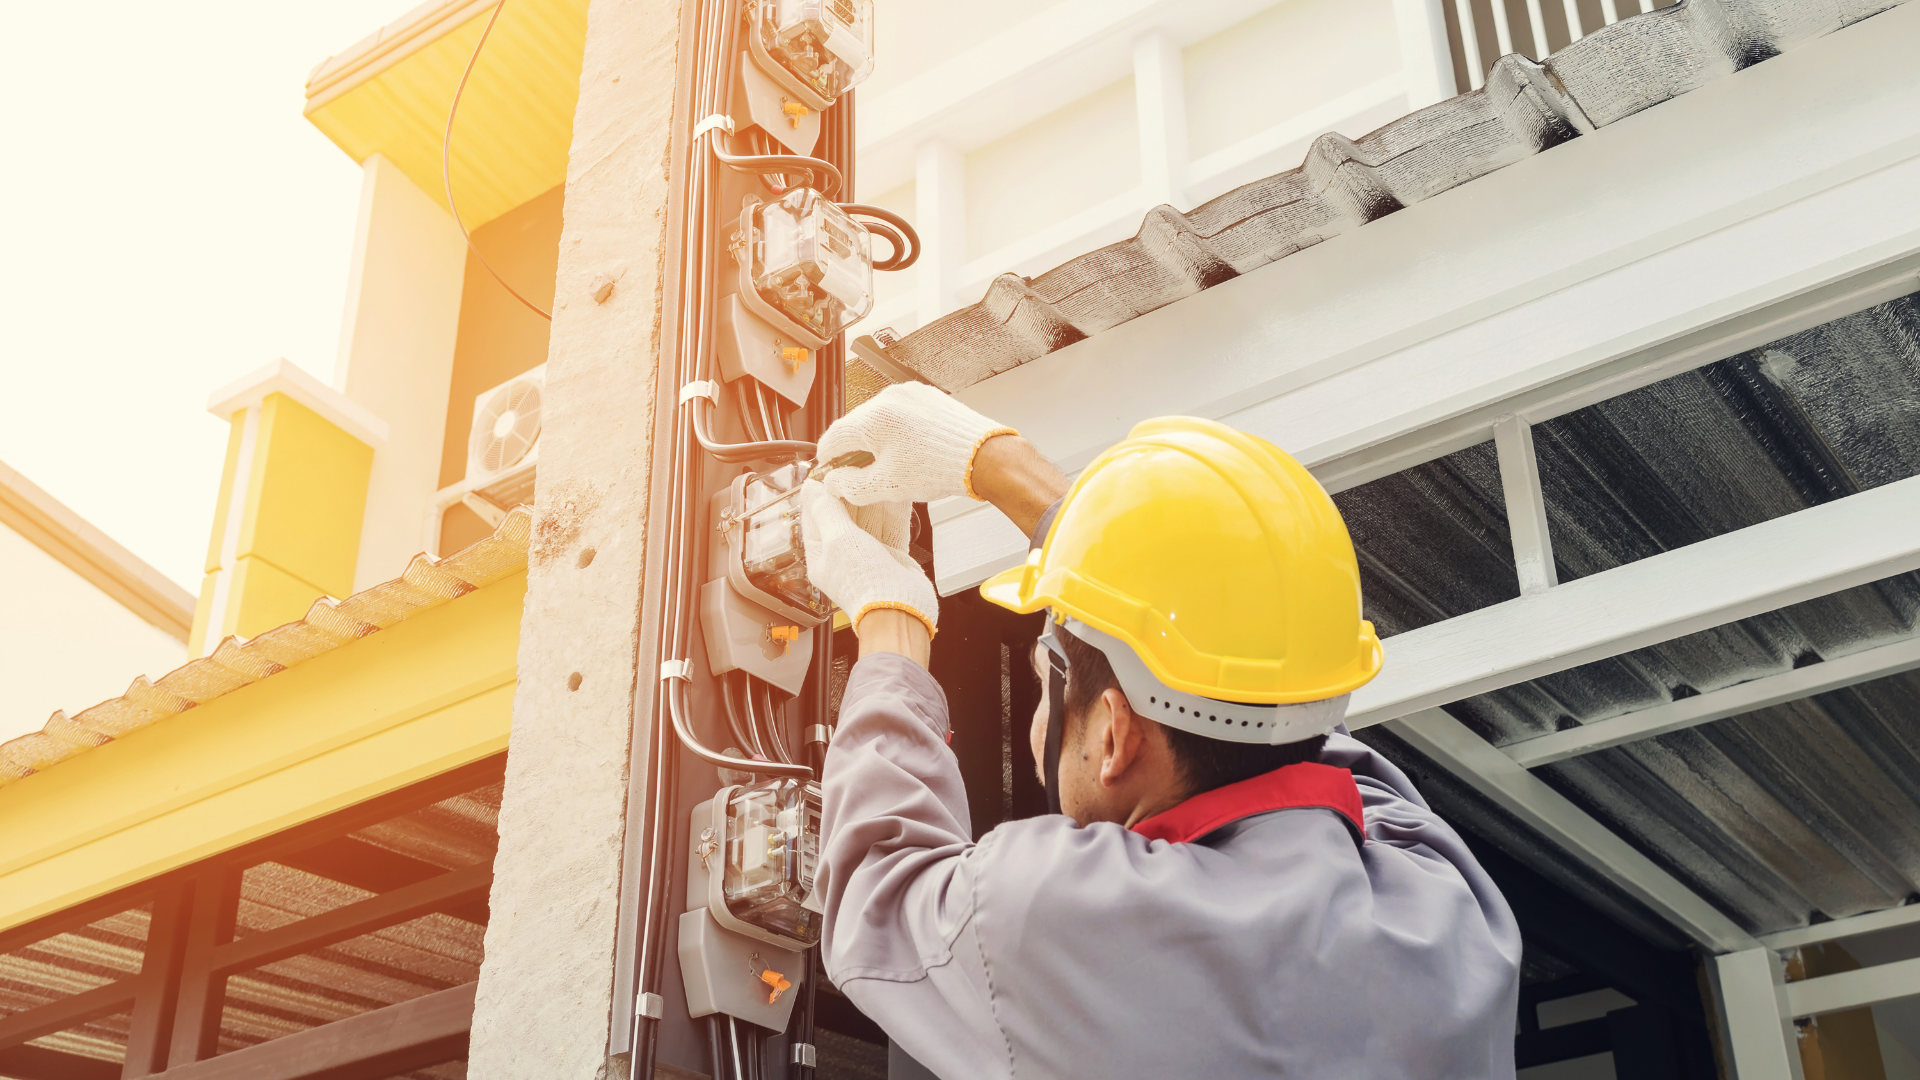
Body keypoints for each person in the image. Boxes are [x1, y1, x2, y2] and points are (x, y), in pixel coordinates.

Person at [797, 383, 1521, 1079]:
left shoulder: (1066, 920)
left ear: (1114, 735)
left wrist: (888, 618)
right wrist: (1007, 473)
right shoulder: (1452, 915)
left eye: (1045, 675)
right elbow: (1284, 699)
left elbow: (881, 891)